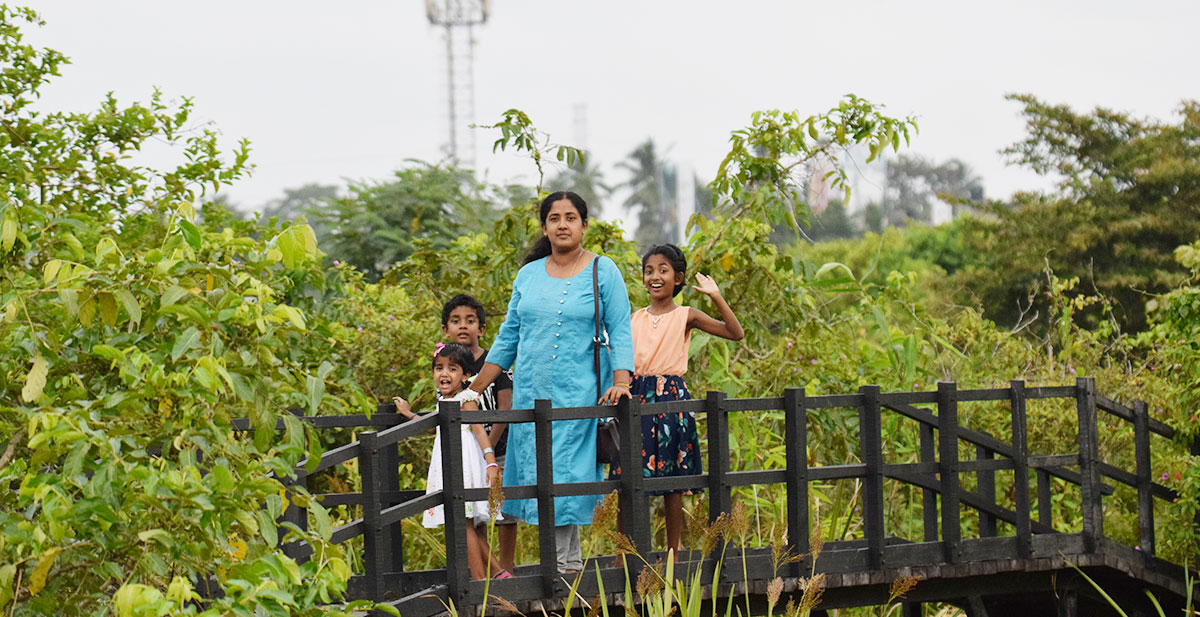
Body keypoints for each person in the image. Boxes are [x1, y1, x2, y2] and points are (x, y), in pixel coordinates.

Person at [468, 191, 635, 573]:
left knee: (565, 475)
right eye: (555, 218)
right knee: (542, 475)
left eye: (571, 217)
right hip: (531, 393)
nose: (563, 224)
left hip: (579, 394)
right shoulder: (528, 274)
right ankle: (569, 565)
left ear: (584, 225)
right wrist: (473, 390)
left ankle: (560, 570)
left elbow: (620, 329)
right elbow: (509, 337)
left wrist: (621, 381)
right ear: (544, 226)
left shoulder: (602, 269)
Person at [609, 243, 743, 555]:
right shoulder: (633, 318)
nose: (655, 277)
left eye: (663, 271)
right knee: (629, 475)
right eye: (649, 271)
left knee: (672, 475)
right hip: (637, 394)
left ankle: (674, 549)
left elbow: (735, 333)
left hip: (670, 396)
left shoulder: (686, 315)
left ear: (678, 278)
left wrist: (716, 296)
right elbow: (621, 359)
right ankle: (623, 551)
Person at [392, 342, 506, 579]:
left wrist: (491, 462)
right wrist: (409, 414)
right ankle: (497, 574)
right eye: (439, 368)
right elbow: (433, 428)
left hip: (464, 463)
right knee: (463, 525)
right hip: (447, 463)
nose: (444, 373)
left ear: (466, 376)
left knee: (462, 525)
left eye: (452, 369)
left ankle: (479, 579)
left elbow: (479, 431)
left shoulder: (466, 399)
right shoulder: (442, 400)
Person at [439, 294, 518, 573]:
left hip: (497, 449)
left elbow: (506, 408)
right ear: (445, 329)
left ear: (481, 329)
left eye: (470, 321)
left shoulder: (494, 362)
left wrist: (488, 450)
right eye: (455, 321)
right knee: (474, 513)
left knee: (504, 511)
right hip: (466, 454)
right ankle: (482, 572)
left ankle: (506, 566)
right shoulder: (447, 364)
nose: (463, 327)